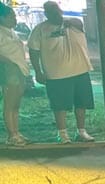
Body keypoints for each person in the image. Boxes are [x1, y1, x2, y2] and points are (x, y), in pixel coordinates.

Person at [28, 1, 94, 144]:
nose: (55, 14)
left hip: (80, 70)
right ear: (46, 14)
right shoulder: (40, 30)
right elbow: (33, 51)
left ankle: (81, 131)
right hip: (56, 74)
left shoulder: (73, 24)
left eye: (56, 10)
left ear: (60, 11)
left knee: (81, 103)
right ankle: (62, 133)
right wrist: (38, 71)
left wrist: (67, 21)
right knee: (59, 105)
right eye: (51, 12)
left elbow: (79, 23)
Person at [0, 3, 29, 146]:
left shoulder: (11, 32)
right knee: (9, 104)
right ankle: (11, 134)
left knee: (16, 104)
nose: (15, 19)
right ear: (2, 18)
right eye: (11, 17)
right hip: (9, 70)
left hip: (20, 70)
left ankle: (16, 132)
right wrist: (9, 63)